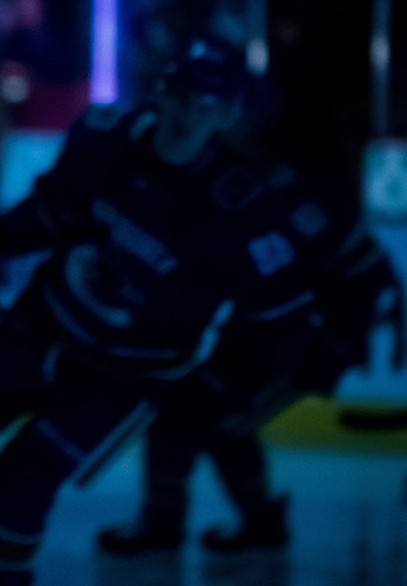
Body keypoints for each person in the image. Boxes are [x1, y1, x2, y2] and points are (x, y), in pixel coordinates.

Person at [0, 35, 343, 586]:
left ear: (227, 115)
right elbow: (52, 213)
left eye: (207, 103)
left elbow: (283, 317)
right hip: (46, 325)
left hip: (125, 374)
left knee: (24, 478)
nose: (187, 114)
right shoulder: (106, 139)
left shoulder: (240, 209)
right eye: (180, 94)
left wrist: (227, 383)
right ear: (160, 93)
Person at [96, 159, 406, 556]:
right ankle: (249, 519)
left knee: (202, 415)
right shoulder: (256, 178)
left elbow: (364, 275)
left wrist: (331, 351)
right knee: (214, 417)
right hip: (271, 332)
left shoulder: (293, 188)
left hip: (296, 337)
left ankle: (180, 522)